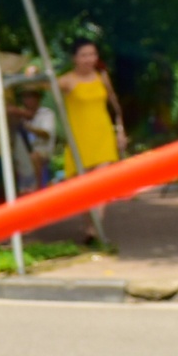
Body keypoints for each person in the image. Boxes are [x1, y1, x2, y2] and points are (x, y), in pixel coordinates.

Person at [58, 40, 124, 240]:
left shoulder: (102, 77)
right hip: (80, 138)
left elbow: (114, 106)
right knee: (84, 188)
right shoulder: (66, 81)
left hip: (102, 135)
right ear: (74, 58)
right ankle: (90, 227)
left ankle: (96, 229)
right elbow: (41, 86)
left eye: (92, 54)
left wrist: (120, 130)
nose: (89, 59)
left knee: (100, 184)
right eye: (84, 55)